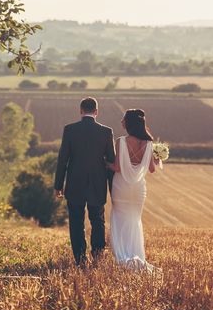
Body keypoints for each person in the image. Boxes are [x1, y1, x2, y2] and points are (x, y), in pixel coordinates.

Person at [54, 97, 115, 266]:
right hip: (97, 183)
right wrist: (112, 188)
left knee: (76, 221)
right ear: (96, 112)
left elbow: (62, 160)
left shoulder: (70, 130)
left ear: (80, 111)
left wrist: (58, 185)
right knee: (98, 220)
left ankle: (80, 258)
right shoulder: (106, 131)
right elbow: (111, 161)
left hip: (75, 183)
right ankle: (97, 255)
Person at [108, 109, 160, 271]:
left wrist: (104, 163)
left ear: (129, 123)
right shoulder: (149, 143)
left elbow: (117, 167)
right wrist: (157, 158)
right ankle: (136, 254)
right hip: (138, 189)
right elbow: (152, 169)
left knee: (119, 219)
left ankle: (122, 255)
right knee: (134, 220)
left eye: (123, 119)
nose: (121, 122)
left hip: (121, 186)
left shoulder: (121, 141)